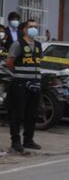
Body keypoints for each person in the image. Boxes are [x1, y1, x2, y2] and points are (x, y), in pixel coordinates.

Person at [5, 20, 43, 152]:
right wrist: (18, 74)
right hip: (20, 84)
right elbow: (9, 62)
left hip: (35, 84)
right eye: (31, 27)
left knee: (32, 114)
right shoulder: (18, 44)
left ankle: (28, 140)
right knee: (17, 114)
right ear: (24, 29)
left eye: (35, 27)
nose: (33, 29)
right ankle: (15, 141)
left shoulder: (38, 45)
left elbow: (37, 62)